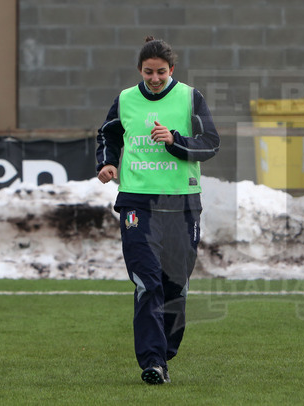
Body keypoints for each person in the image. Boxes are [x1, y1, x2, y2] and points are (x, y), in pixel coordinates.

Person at [95, 37, 220, 385]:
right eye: (148, 72)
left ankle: (163, 354)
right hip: (137, 201)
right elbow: (108, 135)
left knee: (174, 285)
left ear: (172, 70)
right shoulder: (125, 100)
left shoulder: (189, 97)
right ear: (140, 70)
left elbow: (211, 143)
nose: (154, 78)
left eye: (161, 72)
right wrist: (106, 163)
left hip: (181, 202)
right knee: (147, 283)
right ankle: (152, 361)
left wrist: (175, 140)